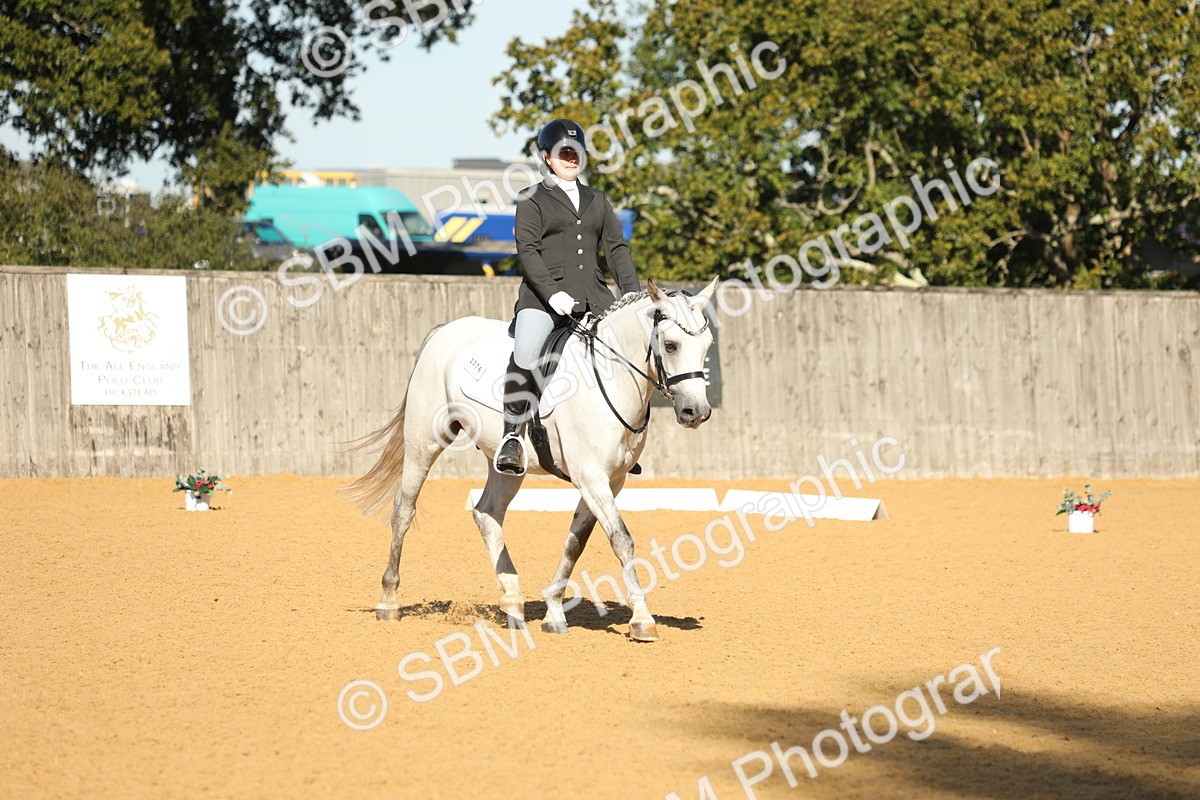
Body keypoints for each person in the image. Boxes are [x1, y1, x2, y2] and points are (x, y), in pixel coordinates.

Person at [494, 118, 641, 474]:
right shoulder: (531, 198)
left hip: (595, 296)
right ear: (547, 157)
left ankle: (622, 441)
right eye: (564, 153)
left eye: (576, 152)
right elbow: (528, 251)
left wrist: (632, 296)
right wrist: (551, 293)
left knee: (629, 354)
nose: (571, 158)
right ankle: (512, 436)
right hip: (542, 298)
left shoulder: (597, 199)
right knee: (526, 351)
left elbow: (616, 250)